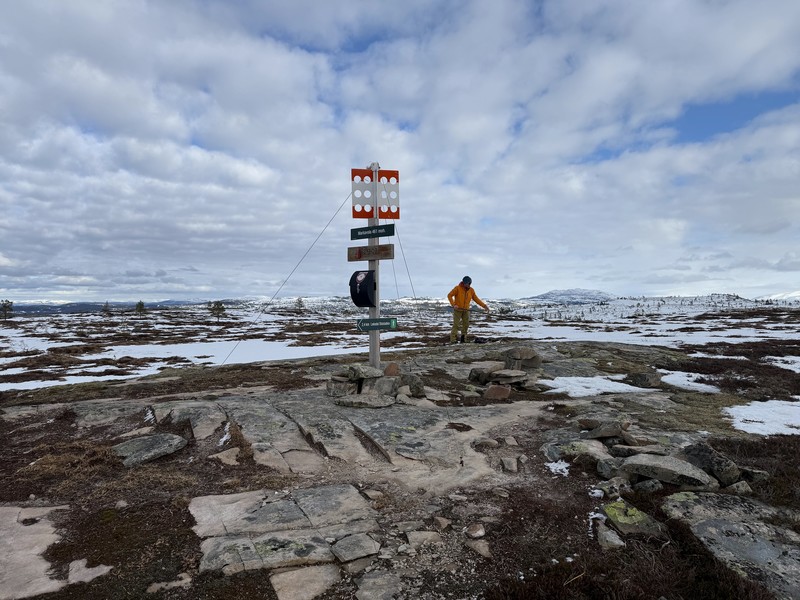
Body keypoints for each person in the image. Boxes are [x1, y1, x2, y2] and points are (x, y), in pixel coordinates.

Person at [447, 276, 489, 343]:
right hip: (458, 310)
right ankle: (453, 340)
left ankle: (463, 339)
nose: (467, 285)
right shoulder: (457, 288)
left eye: (468, 283)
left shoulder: (471, 290)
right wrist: (453, 305)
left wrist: (484, 306)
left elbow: (476, 299)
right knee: (456, 325)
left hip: (466, 310)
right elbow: (449, 295)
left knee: (466, 325)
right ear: (463, 283)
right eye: (465, 283)